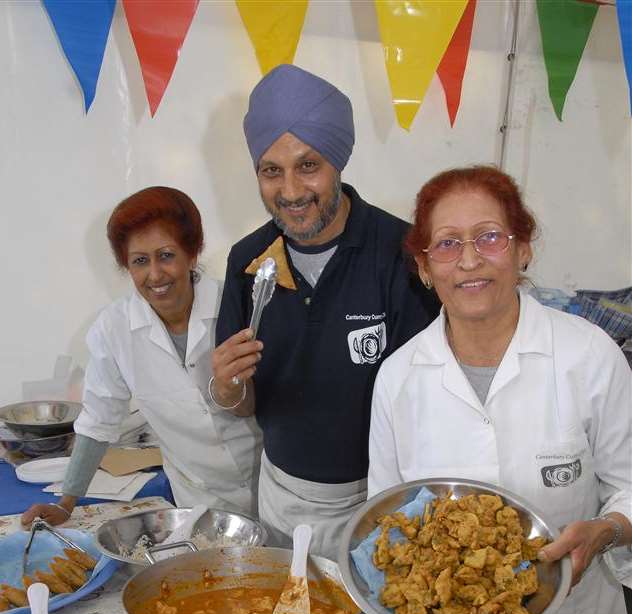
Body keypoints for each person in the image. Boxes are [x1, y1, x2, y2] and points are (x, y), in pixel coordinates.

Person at [368, 165, 632, 614]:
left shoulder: (589, 356)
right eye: (446, 244)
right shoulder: (398, 378)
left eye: (489, 236)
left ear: (523, 249)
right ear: (422, 267)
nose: (469, 260)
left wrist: (606, 530)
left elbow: (629, 485)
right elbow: (384, 518)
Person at [211, 64, 438, 561]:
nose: (290, 191)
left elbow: (430, 404)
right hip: (282, 501)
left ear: (338, 162)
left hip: (381, 504)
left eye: (307, 165)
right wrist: (228, 388)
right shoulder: (247, 261)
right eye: (271, 170)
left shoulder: (399, 254)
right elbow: (243, 403)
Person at [22, 187, 262, 528]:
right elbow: (98, 421)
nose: (155, 275)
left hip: (270, 484)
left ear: (192, 254)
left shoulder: (238, 306)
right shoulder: (114, 329)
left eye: (166, 255)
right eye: (139, 261)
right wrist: (67, 502)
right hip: (200, 498)